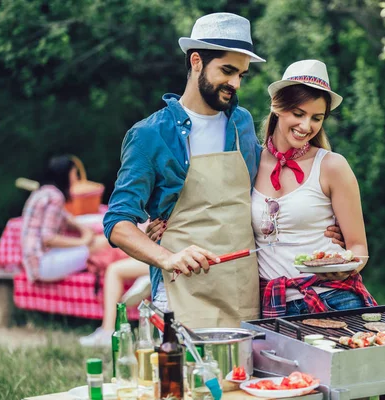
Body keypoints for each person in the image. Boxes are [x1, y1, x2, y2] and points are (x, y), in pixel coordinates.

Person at [104, 13, 342, 328]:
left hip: (243, 292)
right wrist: (165, 256)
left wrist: (321, 226)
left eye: (242, 73)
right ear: (197, 61)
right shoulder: (150, 135)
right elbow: (118, 222)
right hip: (181, 292)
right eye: (228, 71)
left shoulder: (241, 122)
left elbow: (273, 189)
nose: (236, 83)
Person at [253, 60, 378, 317]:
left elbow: (358, 248)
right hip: (274, 305)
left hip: (334, 298)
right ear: (277, 107)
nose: (306, 126)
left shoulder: (332, 166)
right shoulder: (249, 163)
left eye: (316, 118)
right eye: (298, 113)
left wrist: (345, 266)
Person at [21, 155, 110, 282]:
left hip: (34, 262)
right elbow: (48, 238)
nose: (76, 178)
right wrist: (83, 241)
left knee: (97, 242)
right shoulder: (56, 197)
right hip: (43, 265)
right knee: (102, 243)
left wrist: (83, 229)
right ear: (65, 175)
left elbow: (65, 217)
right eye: (74, 174)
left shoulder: (42, 192)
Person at [79, 257, 151, 346]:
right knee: (114, 268)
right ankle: (146, 278)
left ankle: (107, 330)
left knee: (113, 270)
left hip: (158, 259)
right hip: (161, 258)